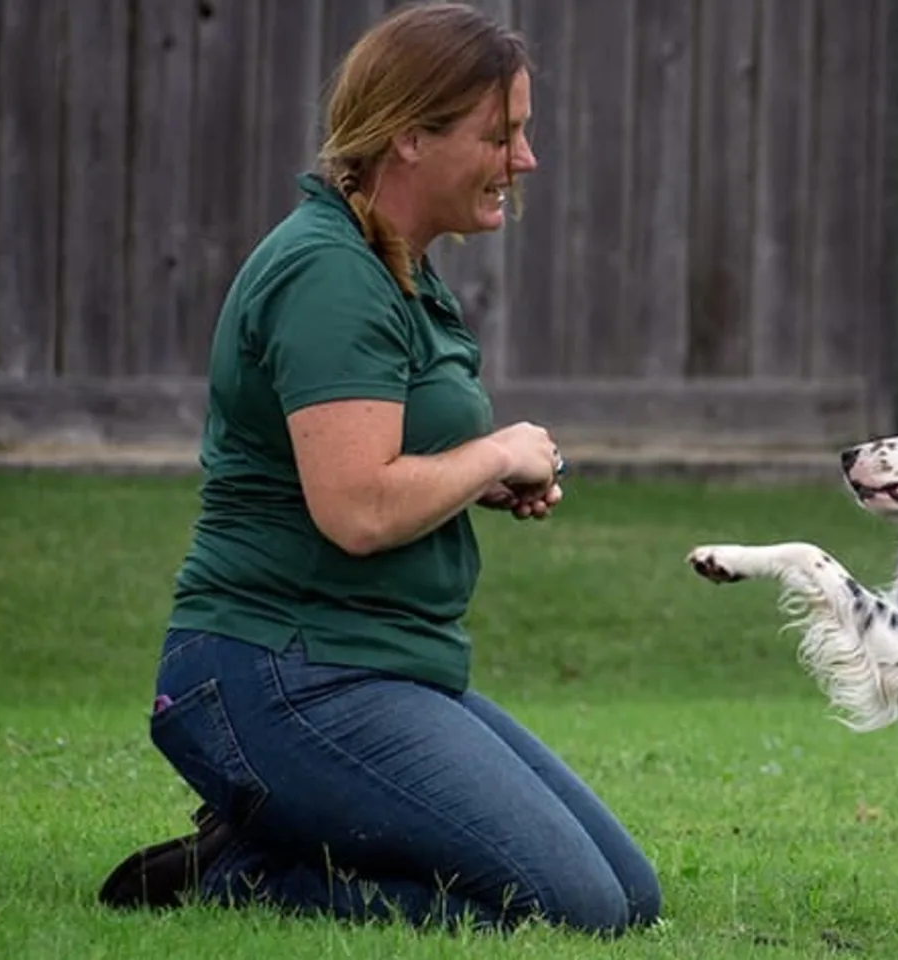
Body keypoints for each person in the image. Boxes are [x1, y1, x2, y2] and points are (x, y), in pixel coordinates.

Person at [96, 2, 661, 936]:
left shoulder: (394, 265)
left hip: (374, 666)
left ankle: (284, 838)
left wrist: (473, 479)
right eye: (500, 135)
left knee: (628, 897)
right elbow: (356, 509)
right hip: (278, 671)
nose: (525, 161)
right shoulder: (327, 273)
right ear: (408, 136)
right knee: (576, 912)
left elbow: (372, 461)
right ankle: (244, 873)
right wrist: (495, 450)